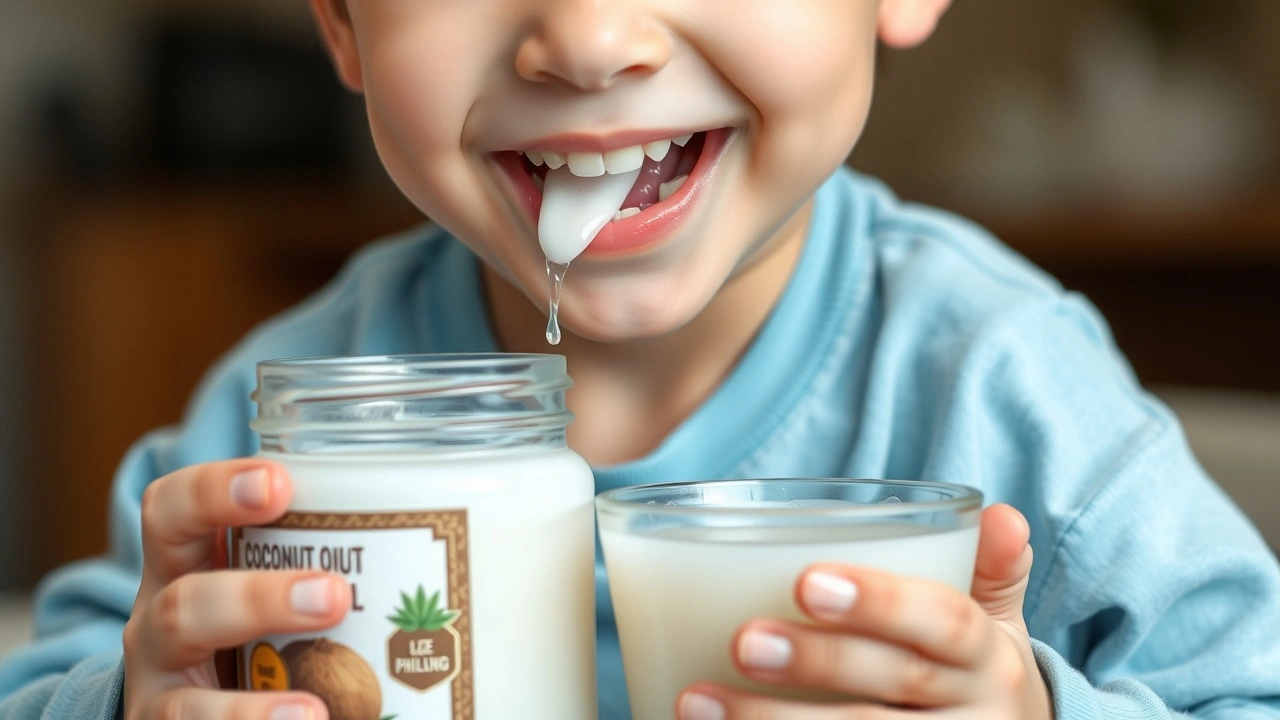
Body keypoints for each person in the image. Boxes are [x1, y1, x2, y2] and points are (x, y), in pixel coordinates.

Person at [3, 1, 1279, 718]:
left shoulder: (999, 388)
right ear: (338, 22)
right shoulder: (286, 424)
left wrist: (1037, 712)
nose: (589, 37)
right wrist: (129, 701)